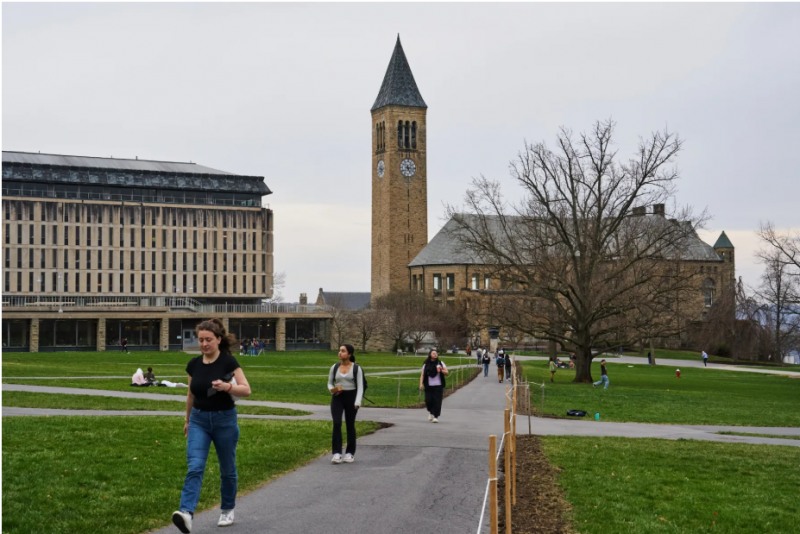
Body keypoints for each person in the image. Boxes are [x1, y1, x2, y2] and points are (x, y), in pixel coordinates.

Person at [172, 318, 251, 533]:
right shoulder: (194, 364)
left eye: (208, 340)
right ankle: (186, 513)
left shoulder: (228, 362)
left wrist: (227, 387)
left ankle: (227, 508)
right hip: (199, 420)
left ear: (218, 339)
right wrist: (187, 420)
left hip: (224, 420)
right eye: (201, 340)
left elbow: (246, 389)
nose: (204, 344)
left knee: (227, 469)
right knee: (195, 466)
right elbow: (190, 394)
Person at [327, 344, 364, 464]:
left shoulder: (356, 368)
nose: (340, 353)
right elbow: (329, 383)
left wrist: (357, 401)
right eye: (339, 351)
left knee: (350, 424)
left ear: (349, 354)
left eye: (343, 351)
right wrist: (333, 390)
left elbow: (360, 387)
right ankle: (336, 453)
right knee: (337, 423)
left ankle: (349, 453)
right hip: (337, 398)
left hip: (351, 397)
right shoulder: (334, 367)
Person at [419, 349, 448, 423]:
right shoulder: (426, 364)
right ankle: (431, 412)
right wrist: (421, 383)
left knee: (437, 401)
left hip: (438, 385)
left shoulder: (440, 363)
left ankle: (436, 416)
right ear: (430, 355)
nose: (435, 354)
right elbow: (422, 374)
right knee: (428, 401)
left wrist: (441, 370)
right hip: (428, 385)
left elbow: (446, 372)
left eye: (436, 353)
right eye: (433, 353)